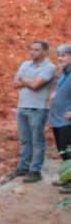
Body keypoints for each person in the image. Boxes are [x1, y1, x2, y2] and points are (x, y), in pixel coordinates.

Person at [11, 40, 57, 183]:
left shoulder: (50, 67)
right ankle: (23, 167)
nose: (32, 52)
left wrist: (24, 81)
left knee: (37, 141)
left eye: (36, 50)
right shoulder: (25, 64)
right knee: (25, 140)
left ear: (44, 52)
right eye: (31, 49)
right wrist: (29, 81)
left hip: (38, 109)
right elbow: (15, 83)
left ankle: (35, 170)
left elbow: (37, 84)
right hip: (23, 107)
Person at [50, 43, 71, 192]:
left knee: (69, 151)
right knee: (62, 150)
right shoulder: (64, 73)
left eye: (63, 55)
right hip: (57, 118)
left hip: (67, 120)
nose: (60, 58)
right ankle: (66, 178)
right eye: (59, 55)